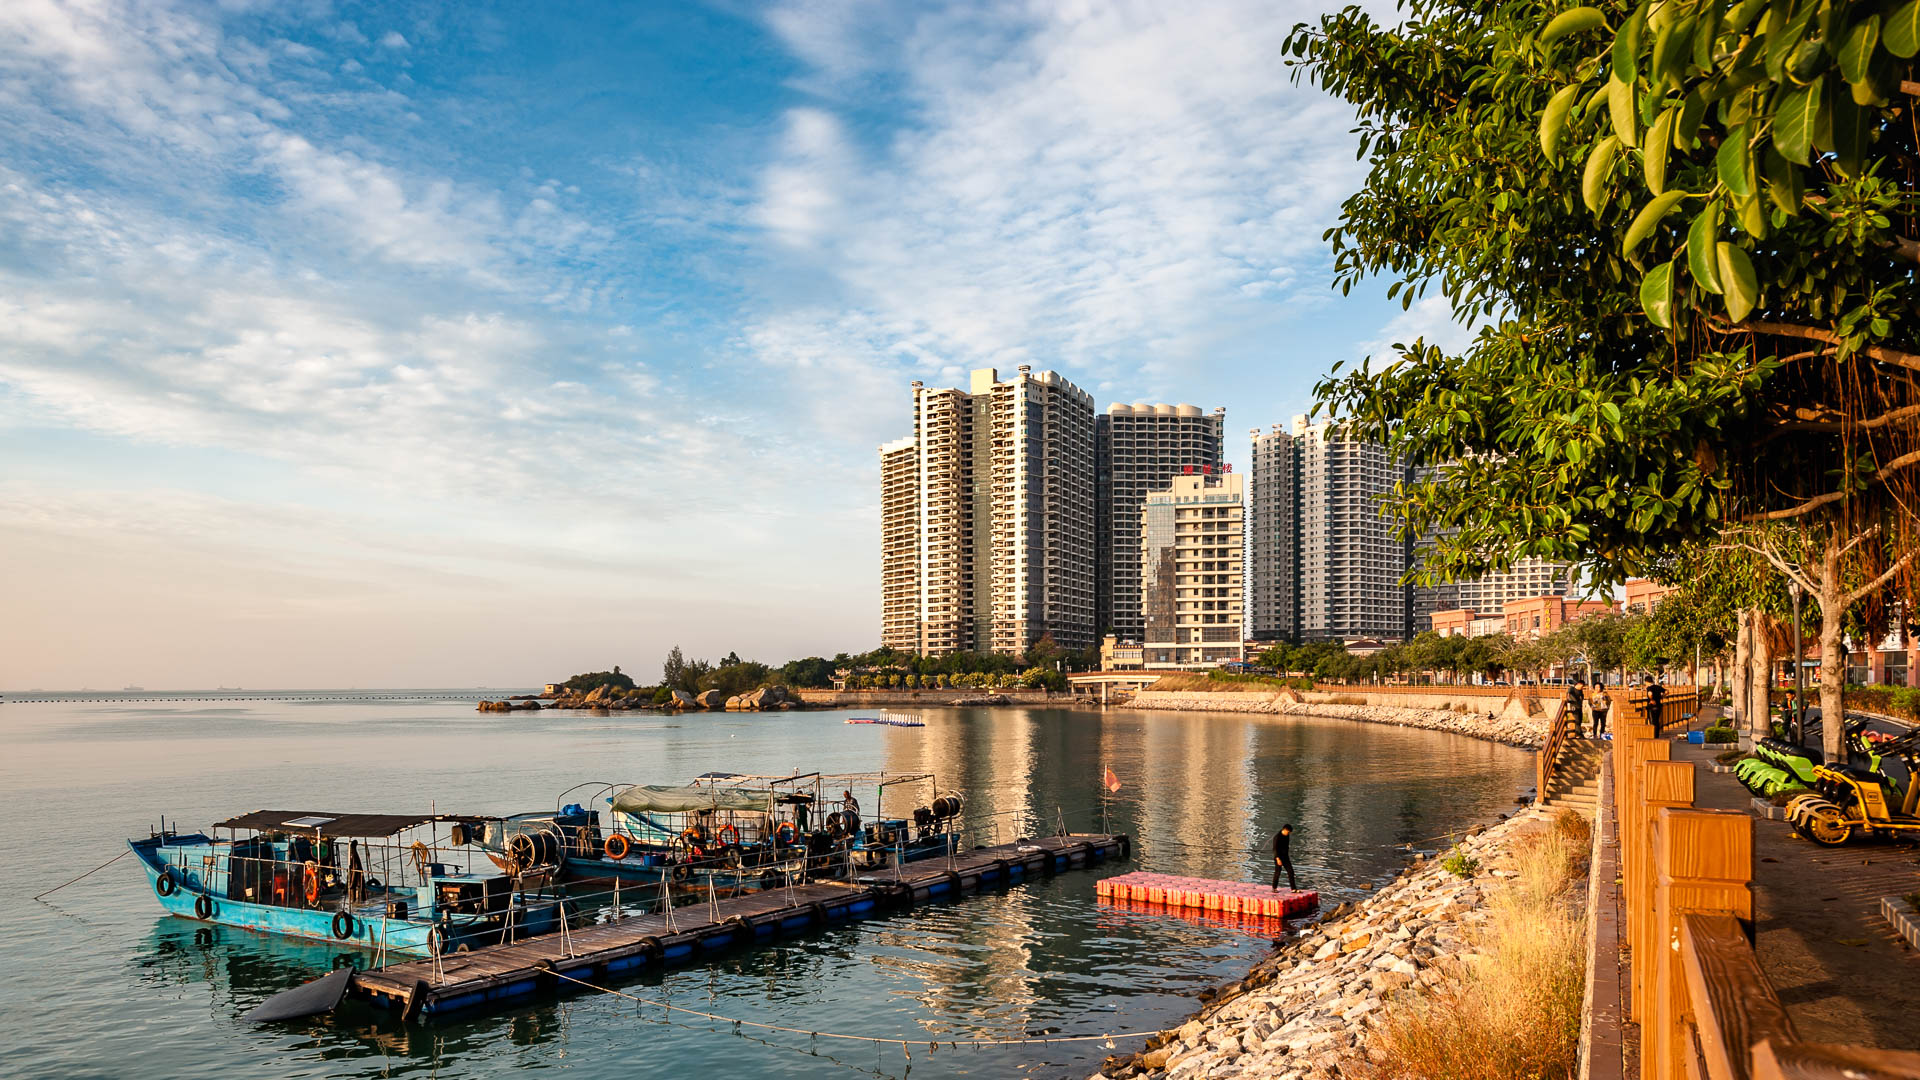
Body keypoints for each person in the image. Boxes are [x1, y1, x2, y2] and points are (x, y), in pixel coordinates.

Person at [1271, 824, 1296, 891]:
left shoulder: (1287, 836)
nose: (1288, 834)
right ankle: (1274, 888)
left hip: (1285, 857)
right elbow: (1275, 849)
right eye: (1288, 832)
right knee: (1278, 872)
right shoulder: (1277, 837)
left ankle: (1293, 889)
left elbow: (1286, 846)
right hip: (1278, 857)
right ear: (1284, 830)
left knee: (1291, 871)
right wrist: (1278, 859)